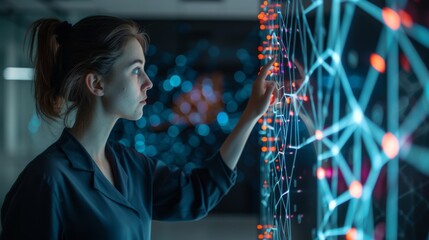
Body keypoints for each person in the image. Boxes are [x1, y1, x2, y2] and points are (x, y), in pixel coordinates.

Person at [0, 15, 277, 239]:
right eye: (135, 70)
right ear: (97, 84)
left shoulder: (129, 164)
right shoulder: (47, 180)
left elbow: (197, 194)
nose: (148, 82)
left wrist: (251, 115)